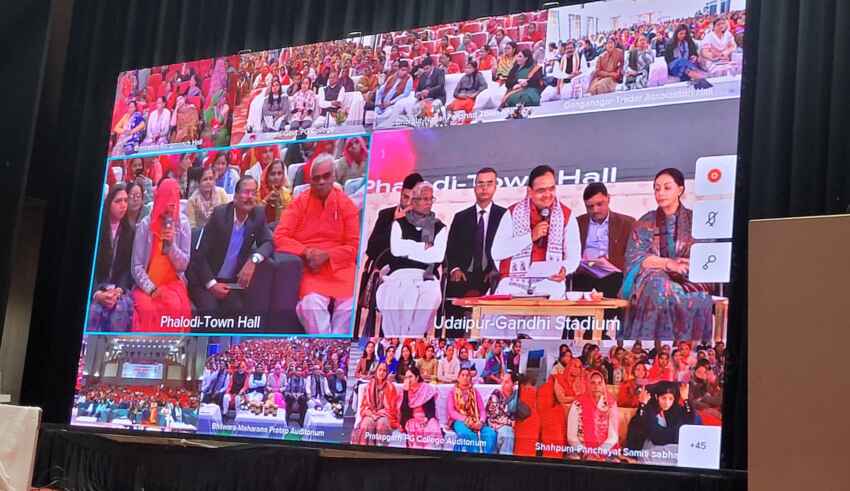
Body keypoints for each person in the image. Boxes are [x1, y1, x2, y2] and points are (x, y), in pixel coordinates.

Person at [620, 168, 714, 345]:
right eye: (657, 188)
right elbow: (635, 258)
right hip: (653, 278)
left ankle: (685, 350)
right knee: (659, 285)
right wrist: (667, 263)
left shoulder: (697, 221)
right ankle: (652, 347)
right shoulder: (645, 222)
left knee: (693, 297)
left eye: (667, 187)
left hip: (689, 278)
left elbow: (707, 258)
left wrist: (685, 264)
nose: (660, 193)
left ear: (680, 190)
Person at [274, 154, 360, 334]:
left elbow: (353, 246)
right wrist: (306, 252)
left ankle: (336, 345)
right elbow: (280, 236)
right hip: (311, 269)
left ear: (334, 176)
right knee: (311, 305)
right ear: (310, 180)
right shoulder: (299, 203)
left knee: (350, 306)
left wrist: (327, 255)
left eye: (326, 176)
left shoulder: (346, 205)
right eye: (316, 178)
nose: (321, 182)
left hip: (341, 268)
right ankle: (323, 345)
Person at [492, 165, 581, 300]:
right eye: (541, 190)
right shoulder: (512, 213)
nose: (547, 195)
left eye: (551, 189)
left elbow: (574, 257)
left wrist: (564, 269)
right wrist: (530, 237)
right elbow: (497, 252)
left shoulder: (566, 215)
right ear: (530, 191)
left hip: (549, 282)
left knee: (555, 295)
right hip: (513, 282)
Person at [188, 176, 274, 314]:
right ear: (235, 196)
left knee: (238, 310)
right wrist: (212, 284)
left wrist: (253, 260)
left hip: (231, 282)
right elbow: (199, 254)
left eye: (253, 193)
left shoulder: (257, 215)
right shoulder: (220, 215)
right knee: (211, 312)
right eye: (246, 192)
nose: (250, 197)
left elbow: (268, 241)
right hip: (205, 279)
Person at [376, 181, 448, 337]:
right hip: (400, 273)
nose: (429, 203)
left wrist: (407, 247)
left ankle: (412, 337)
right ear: (414, 201)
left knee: (431, 295)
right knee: (395, 293)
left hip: (427, 275)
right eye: (424, 199)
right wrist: (424, 248)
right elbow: (396, 250)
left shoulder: (440, 227)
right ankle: (396, 338)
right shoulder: (399, 224)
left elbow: (438, 256)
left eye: (431, 199)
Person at [130, 178, 192, 331]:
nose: (170, 209)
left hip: (173, 284)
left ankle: (171, 347)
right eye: (167, 203)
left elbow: (183, 265)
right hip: (147, 285)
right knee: (147, 310)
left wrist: (171, 246)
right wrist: (150, 288)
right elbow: (136, 266)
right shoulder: (145, 225)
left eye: (173, 203)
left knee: (174, 308)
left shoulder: (183, 224)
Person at [445, 167, 506, 312]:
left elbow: (508, 249)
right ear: (474, 187)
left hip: (491, 275)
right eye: (480, 183)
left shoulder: (505, 216)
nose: (484, 188)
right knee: (453, 303)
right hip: (463, 275)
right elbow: (450, 248)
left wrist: (496, 269)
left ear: (495, 187)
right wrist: (455, 269)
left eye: (489, 183)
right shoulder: (461, 217)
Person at [574, 182, 636, 299]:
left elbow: (634, 256)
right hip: (584, 275)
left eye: (599, 204)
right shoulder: (577, 223)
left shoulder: (627, 223)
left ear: (608, 198)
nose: (595, 210)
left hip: (613, 276)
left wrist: (608, 262)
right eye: (590, 207)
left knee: (615, 281)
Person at [88, 184, 135, 331]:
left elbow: (127, 269)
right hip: (97, 287)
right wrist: (97, 293)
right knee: (94, 311)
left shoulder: (129, 231)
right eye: (118, 201)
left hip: (118, 289)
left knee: (119, 312)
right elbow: (90, 266)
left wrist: (119, 290)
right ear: (109, 204)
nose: (123, 205)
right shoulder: (97, 228)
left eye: (126, 200)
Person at [625, 381, 695, 464]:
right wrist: (642, 404)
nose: (667, 403)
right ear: (656, 397)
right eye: (663, 398)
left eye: (670, 399)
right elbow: (657, 437)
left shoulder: (672, 410)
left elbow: (690, 421)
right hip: (647, 453)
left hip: (663, 451)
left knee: (687, 451)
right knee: (681, 451)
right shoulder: (649, 410)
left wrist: (685, 399)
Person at [365, 173, 423, 267]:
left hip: (416, 270)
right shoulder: (385, 215)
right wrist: (395, 224)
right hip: (387, 270)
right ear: (401, 193)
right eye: (405, 197)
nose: (408, 203)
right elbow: (371, 251)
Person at [566, 370, 619, 460]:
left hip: (605, 449)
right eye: (593, 383)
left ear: (603, 385)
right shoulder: (577, 403)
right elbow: (571, 436)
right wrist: (585, 452)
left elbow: (613, 436)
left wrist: (599, 452)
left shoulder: (611, 404)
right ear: (588, 384)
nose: (596, 386)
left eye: (599, 383)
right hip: (581, 449)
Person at [448, 367, 496, 453]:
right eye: (462, 375)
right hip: (460, 421)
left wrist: (481, 422)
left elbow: (482, 410)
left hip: (476, 420)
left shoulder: (474, 391)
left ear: (470, 378)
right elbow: (452, 412)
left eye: (467, 375)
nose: (465, 377)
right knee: (469, 434)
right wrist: (466, 420)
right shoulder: (452, 392)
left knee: (491, 434)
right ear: (458, 378)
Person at [352, 362, 400, 445]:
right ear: (376, 371)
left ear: (387, 373)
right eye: (380, 370)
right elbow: (364, 405)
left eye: (384, 370)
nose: (381, 372)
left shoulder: (391, 387)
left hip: (385, 415)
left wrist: (378, 414)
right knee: (366, 424)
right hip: (370, 413)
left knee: (381, 425)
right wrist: (371, 414)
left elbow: (392, 408)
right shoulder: (369, 386)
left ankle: (379, 450)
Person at [399, 365, 442, 449]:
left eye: (410, 377)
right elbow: (404, 413)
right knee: (413, 427)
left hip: (427, 418)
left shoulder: (426, 389)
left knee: (432, 426)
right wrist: (406, 392)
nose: (408, 380)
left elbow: (432, 410)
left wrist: (427, 418)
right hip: (412, 419)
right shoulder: (405, 390)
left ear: (417, 377)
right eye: (406, 377)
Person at [474, 41, 517, 111]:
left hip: (511, 80)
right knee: (488, 91)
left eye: (508, 48)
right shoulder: (502, 58)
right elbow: (498, 73)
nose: (506, 50)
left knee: (499, 93)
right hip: (499, 80)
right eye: (505, 48)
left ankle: (500, 106)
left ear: (514, 49)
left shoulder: (517, 58)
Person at [374, 61, 414, 128]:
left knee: (389, 113)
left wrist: (391, 102)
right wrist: (378, 102)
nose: (404, 72)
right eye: (402, 70)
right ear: (398, 69)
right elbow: (381, 90)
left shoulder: (409, 79)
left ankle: (383, 130)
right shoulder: (392, 77)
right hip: (383, 103)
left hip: (394, 104)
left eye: (406, 70)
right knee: (376, 111)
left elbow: (405, 94)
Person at [486, 373, 516, 454]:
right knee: (507, 434)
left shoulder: (516, 395)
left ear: (513, 384)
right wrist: (511, 422)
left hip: (511, 425)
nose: (503, 384)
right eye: (502, 381)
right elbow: (494, 415)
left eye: (506, 382)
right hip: (495, 423)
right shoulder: (496, 393)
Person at [258, 159, 293, 223]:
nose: (276, 177)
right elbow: (255, 215)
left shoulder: (287, 194)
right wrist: (266, 199)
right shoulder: (258, 193)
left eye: (279, 173)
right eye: (272, 174)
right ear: (266, 176)